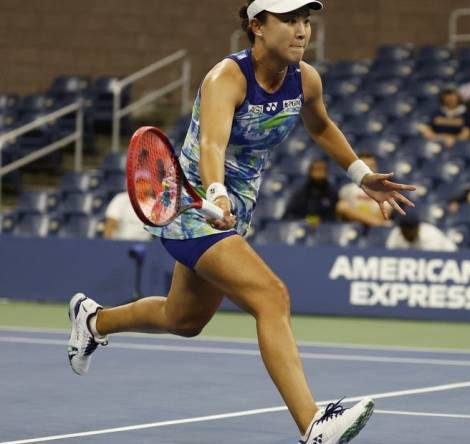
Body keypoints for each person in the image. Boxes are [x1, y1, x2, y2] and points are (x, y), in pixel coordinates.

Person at [66, 2, 415, 444]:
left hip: (235, 209)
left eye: (306, 20)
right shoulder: (226, 78)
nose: (301, 30)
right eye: (289, 20)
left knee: (184, 318)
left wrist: (362, 176)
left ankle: (93, 320)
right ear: (257, 26)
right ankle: (312, 423)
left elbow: (322, 126)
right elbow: (212, 143)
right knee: (272, 296)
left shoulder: (304, 80)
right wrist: (215, 194)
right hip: (190, 206)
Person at [336, 152, 391, 227]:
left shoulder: (385, 192)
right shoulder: (347, 189)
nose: (368, 170)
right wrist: (370, 219)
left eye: (371, 166)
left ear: (376, 167)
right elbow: (341, 208)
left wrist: (351, 213)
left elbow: (381, 220)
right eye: (365, 166)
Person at [283, 157, 338, 226]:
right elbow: (288, 215)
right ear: (310, 172)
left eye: (322, 170)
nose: (319, 174)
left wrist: (322, 221)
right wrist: (306, 221)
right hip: (302, 227)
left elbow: (335, 217)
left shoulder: (332, 193)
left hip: (326, 231)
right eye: (316, 170)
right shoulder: (300, 193)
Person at [386, 211, 457, 252]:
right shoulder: (396, 234)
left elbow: (432, 260)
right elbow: (389, 254)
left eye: (410, 229)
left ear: (418, 228)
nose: (408, 232)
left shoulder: (429, 235)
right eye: (405, 229)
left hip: (450, 257)